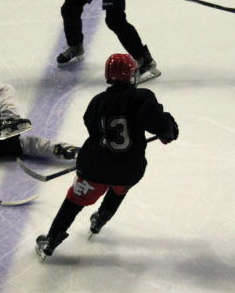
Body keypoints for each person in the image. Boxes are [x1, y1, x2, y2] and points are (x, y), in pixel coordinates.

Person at [35, 54, 179, 261]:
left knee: (74, 202)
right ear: (131, 75)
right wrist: (169, 131)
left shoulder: (97, 102)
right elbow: (160, 124)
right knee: (119, 186)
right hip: (129, 169)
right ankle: (101, 218)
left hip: (95, 168)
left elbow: (91, 127)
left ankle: (51, 239)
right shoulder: (142, 97)